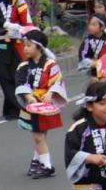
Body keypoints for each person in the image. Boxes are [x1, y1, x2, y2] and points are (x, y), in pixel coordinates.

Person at [14, 29, 68, 179]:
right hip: (32, 104)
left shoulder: (50, 64)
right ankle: (38, 162)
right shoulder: (24, 66)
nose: (25, 48)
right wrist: (28, 95)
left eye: (29, 45)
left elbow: (57, 80)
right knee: (39, 135)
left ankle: (46, 166)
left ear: (39, 47)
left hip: (45, 103)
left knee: (40, 135)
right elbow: (19, 82)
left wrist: (50, 93)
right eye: (24, 45)